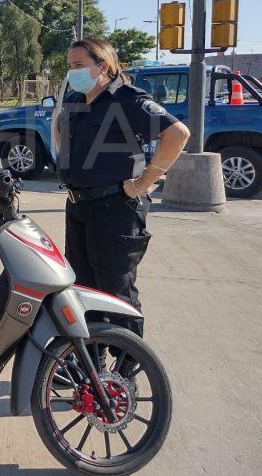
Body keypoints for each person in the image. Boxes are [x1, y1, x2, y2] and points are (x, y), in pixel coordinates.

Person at [53, 37, 189, 344]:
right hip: (78, 206)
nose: (72, 71)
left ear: (103, 66)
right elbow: (62, 131)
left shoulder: (126, 99)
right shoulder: (76, 97)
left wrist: (145, 181)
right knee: (82, 291)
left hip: (115, 209)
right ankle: (91, 363)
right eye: (69, 66)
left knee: (116, 294)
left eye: (79, 65)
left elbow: (177, 134)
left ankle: (127, 366)